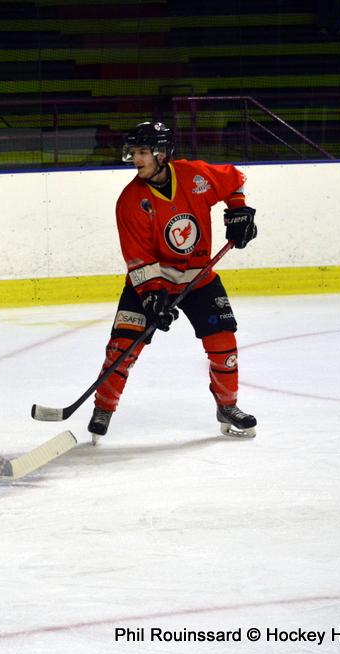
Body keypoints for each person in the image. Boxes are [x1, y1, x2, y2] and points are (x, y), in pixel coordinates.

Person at [87, 121, 259, 442]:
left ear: (162, 153)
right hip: (151, 283)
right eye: (134, 152)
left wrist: (239, 211)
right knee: (123, 347)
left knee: (223, 342)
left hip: (199, 279)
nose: (136, 159)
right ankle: (103, 408)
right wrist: (153, 297)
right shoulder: (130, 201)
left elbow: (234, 179)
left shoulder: (194, 176)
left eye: (142, 152)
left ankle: (227, 406)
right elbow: (138, 258)